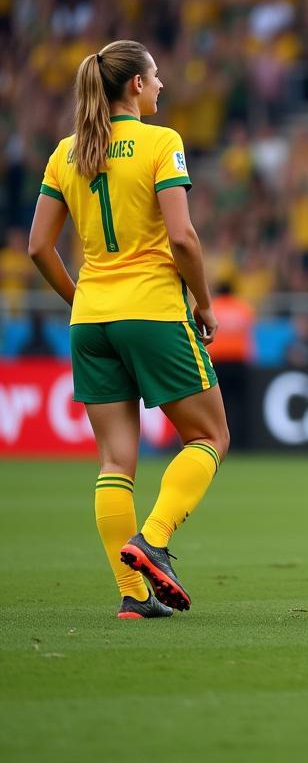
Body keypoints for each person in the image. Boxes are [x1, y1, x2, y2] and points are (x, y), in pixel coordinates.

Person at [27, 40, 229, 619]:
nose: (162, 85)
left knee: (116, 462)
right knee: (210, 437)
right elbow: (184, 237)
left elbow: (38, 246)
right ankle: (154, 540)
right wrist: (206, 303)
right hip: (154, 311)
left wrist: (81, 298)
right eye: (157, 76)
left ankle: (133, 596)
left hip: (92, 319)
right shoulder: (161, 143)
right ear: (136, 86)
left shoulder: (66, 152)